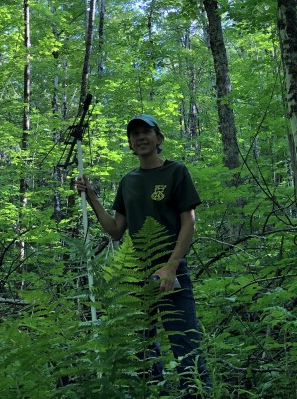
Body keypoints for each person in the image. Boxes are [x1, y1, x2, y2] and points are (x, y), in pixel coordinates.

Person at [75, 114, 211, 395]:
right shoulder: (129, 181)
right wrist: (92, 197)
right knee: (143, 348)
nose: (140, 137)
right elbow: (115, 230)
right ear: (130, 144)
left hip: (172, 271)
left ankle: (197, 393)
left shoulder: (176, 172)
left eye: (146, 131)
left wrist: (172, 266)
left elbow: (189, 222)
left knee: (185, 344)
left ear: (159, 138)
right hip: (137, 273)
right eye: (134, 133)